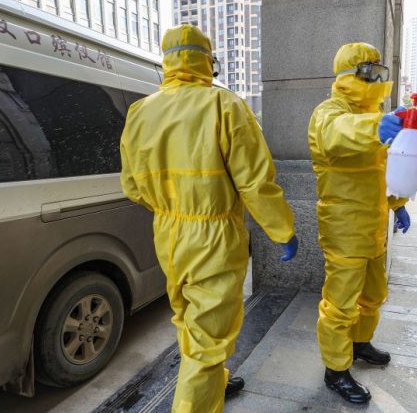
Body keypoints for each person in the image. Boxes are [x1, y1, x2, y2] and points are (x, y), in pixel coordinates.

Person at [119, 24, 299, 413]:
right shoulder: (224, 105)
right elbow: (255, 181)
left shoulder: (140, 111)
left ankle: (212, 384)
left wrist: (171, 206)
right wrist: (282, 230)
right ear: (207, 60)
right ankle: (200, 393)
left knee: (188, 322)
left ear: (166, 60)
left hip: (168, 233)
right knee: (208, 342)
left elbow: (132, 187)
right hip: (214, 236)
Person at [308, 42, 411, 404]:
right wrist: (375, 126)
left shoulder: (377, 115)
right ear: (352, 75)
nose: (378, 80)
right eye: (371, 73)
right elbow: (337, 135)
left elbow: (385, 168)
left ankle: (361, 343)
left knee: (373, 294)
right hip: (344, 227)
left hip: (373, 225)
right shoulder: (329, 112)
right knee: (340, 303)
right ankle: (335, 369)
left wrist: (398, 204)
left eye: (380, 72)